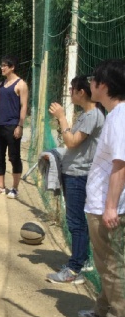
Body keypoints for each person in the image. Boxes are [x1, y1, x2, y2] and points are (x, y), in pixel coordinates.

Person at [77, 60, 125, 317]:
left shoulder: (119, 118)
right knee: (104, 262)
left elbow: (121, 164)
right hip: (99, 202)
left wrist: (110, 207)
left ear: (104, 86)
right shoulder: (114, 115)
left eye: (93, 80)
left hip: (107, 206)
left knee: (111, 264)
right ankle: (103, 309)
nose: (90, 85)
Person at [46, 76, 104, 284]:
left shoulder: (93, 115)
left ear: (82, 92)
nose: (70, 92)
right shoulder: (86, 114)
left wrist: (62, 117)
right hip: (74, 172)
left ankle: (74, 270)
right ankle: (82, 259)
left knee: (76, 223)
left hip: (79, 175)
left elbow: (71, 142)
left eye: (72, 89)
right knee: (78, 221)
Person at [0, 55, 29, 198]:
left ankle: (15, 188)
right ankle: (1, 186)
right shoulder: (0, 86)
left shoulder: (21, 84)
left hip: (12, 125)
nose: (2, 68)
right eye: (1, 65)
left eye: (4, 65)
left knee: (14, 157)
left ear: (12, 67)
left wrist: (20, 125)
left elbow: (24, 106)